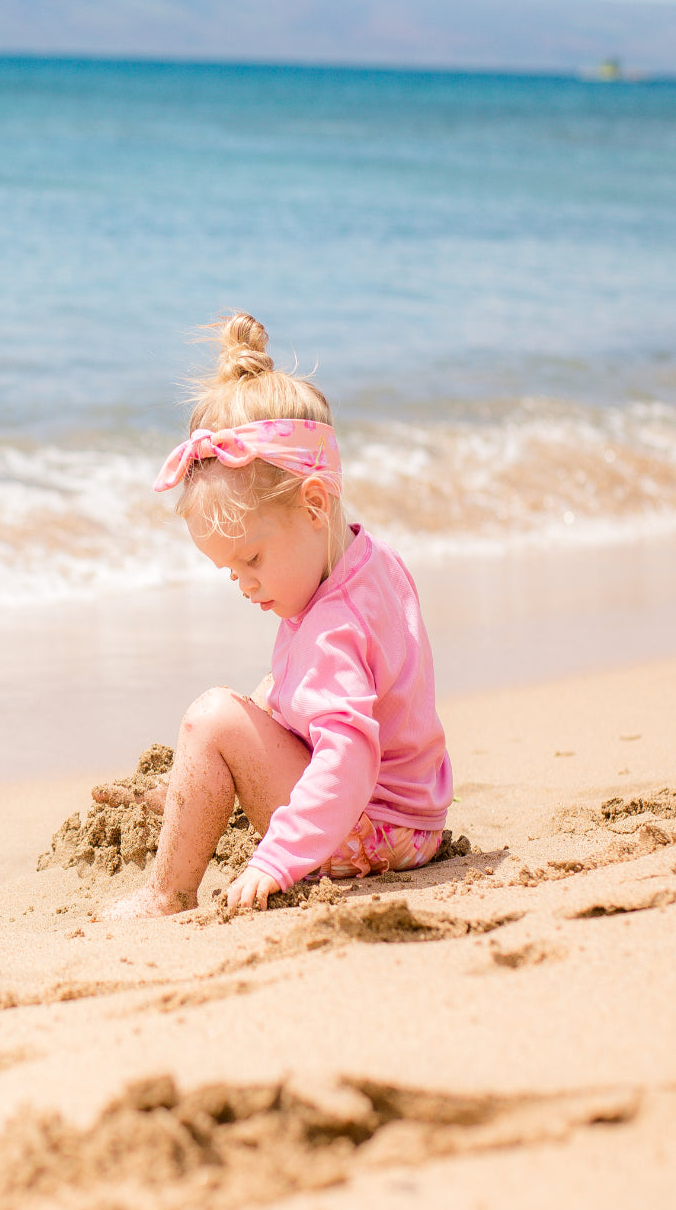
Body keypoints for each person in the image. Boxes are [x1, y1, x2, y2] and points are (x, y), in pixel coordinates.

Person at [101, 313, 453, 918]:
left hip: (365, 829)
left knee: (213, 718)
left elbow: (350, 754)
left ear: (313, 504)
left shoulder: (331, 626)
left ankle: (166, 894)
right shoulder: (372, 562)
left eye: (253, 558)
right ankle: (198, 795)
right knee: (272, 694)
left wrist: (278, 857)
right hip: (416, 819)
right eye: (231, 571)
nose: (244, 583)